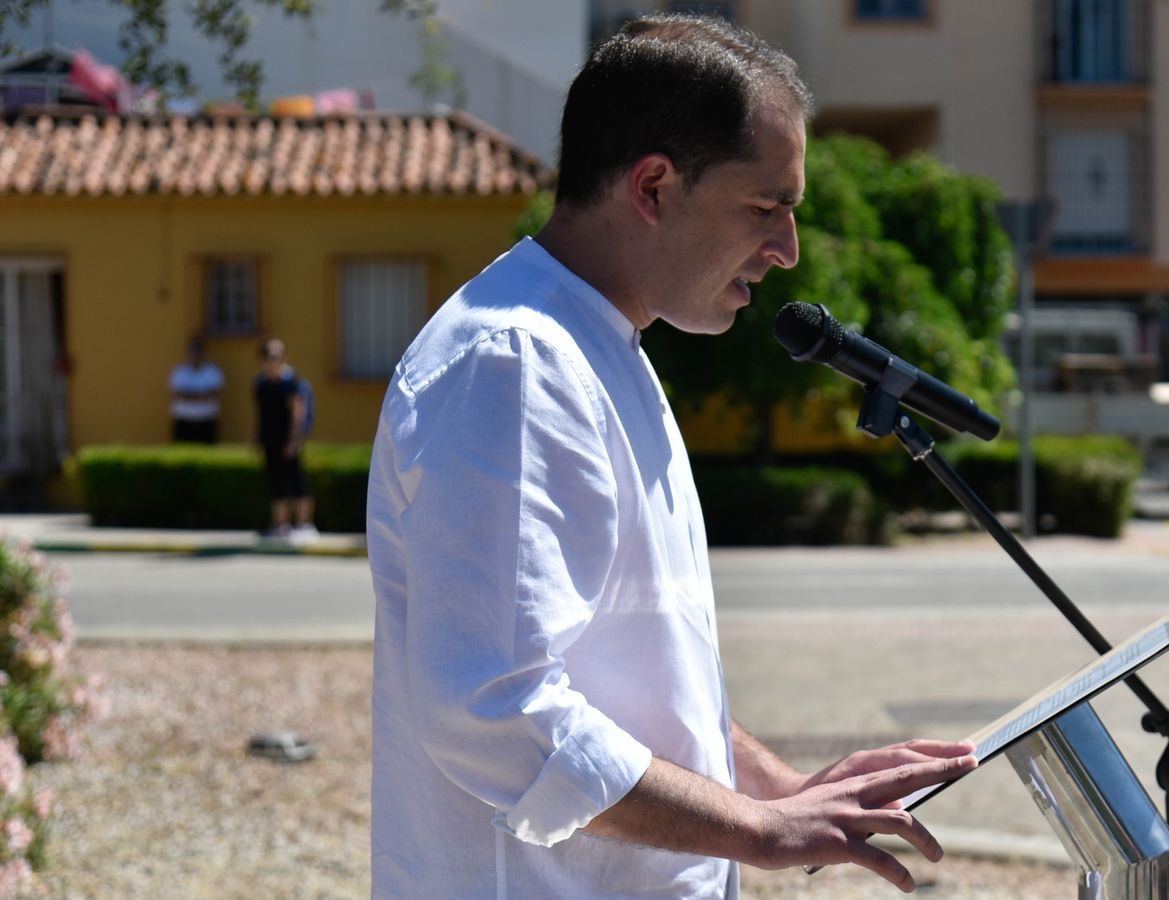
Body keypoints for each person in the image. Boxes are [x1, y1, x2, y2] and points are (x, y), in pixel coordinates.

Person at [365, 16, 975, 898]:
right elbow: (491, 707)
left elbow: (630, 686)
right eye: (766, 208)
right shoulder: (518, 362)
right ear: (653, 186)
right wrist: (759, 830)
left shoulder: (599, 345)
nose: (786, 250)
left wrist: (781, 790)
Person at [254, 337, 316, 544]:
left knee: (297, 481)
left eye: (277, 356)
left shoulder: (291, 383)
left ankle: (304, 524)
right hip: (270, 440)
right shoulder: (261, 384)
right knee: (276, 481)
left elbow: (299, 413)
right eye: (269, 356)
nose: (273, 360)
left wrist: (294, 440)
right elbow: (260, 413)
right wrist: (256, 437)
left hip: (288, 441)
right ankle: (280, 524)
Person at [168, 337, 224, 443]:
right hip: (183, 420)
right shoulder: (180, 372)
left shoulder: (213, 371)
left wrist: (190, 395)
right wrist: (201, 395)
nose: (195, 355)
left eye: (198, 352)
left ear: (204, 353)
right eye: (192, 352)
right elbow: (177, 394)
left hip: (207, 420)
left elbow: (215, 393)